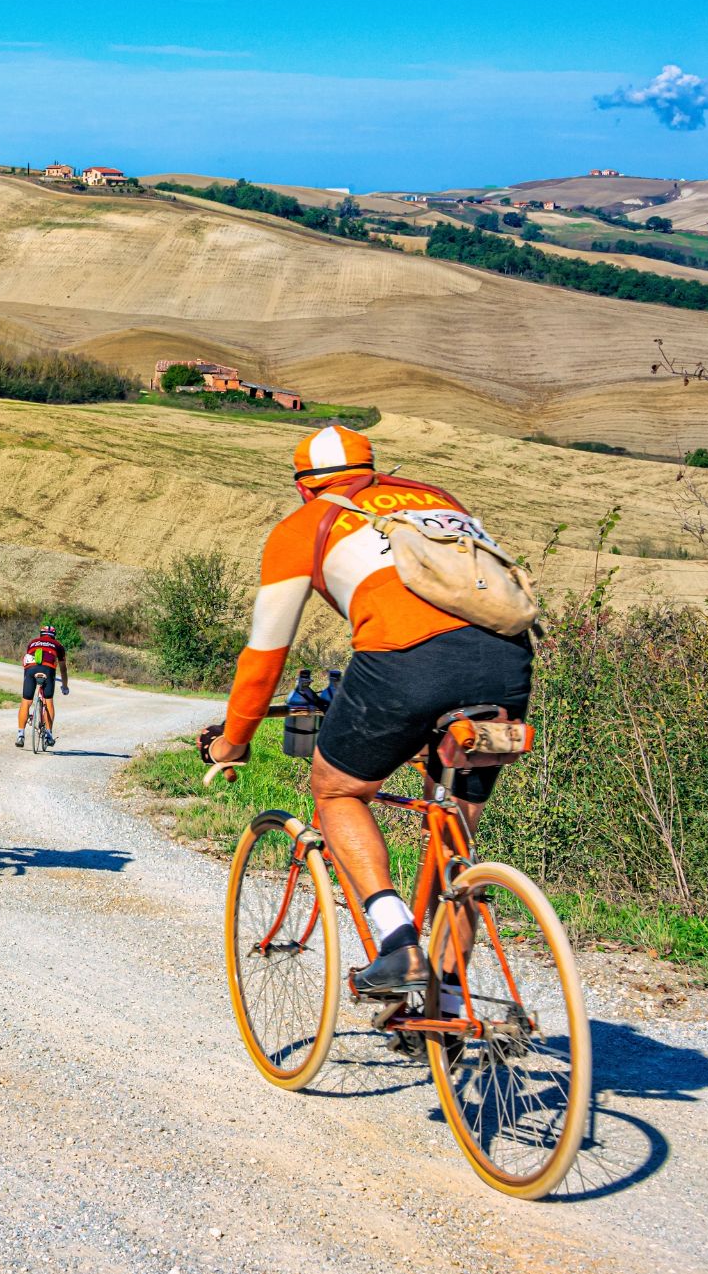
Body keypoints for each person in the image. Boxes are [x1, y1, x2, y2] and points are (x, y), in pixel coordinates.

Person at [201, 426, 533, 997]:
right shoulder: (435, 497)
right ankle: (449, 999)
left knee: (335, 790)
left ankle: (398, 943)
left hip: (405, 658)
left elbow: (264, 656)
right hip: (506, 658)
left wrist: (232, 741)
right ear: (374, 468)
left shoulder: (304, 525)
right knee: (455, 828)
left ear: (304, 486)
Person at [16, 624, 69, 748]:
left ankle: (20, 735)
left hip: (30, 669)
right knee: (48, 701)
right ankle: (49, 735)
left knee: (26, 702)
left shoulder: (32, 642)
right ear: (54, 636)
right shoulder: (58, 645)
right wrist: (65, 687)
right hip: (48, 669)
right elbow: (63, 669)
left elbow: (27, 658)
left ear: (41, 634)